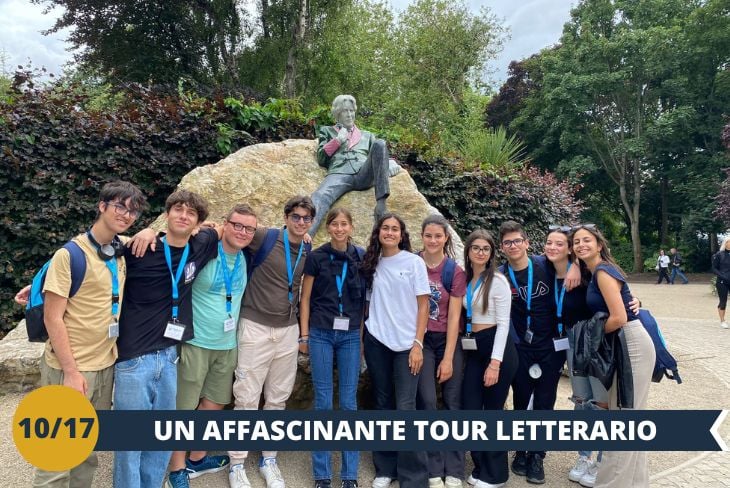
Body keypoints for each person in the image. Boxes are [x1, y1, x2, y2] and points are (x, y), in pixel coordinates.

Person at [31, 181, 147, 488]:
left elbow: (153, 238)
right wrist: (70, 372)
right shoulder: (69, 255)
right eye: (120, 206)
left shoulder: (119, 250)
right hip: (70, 368)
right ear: (102, 206)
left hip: (105, 365)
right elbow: (53, 317)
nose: (126, 214)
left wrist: (150, 232)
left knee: (87, 450)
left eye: (133, 210)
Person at [113, 189, 220, 488]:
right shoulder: (139, 248)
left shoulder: (201, 243)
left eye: (191, 213)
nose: (183, 216)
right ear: (168, 213)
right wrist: (41, 284)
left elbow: (223, 229)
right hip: (134, 358)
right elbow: (92, 259)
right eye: (178, 210)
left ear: (198, 222)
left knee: (161, 436)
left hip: (170, 355)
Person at [166, 204, 258, 488]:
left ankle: (196, 457)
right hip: (196, 342)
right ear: (224, 224)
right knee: (184, 407)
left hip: (227, 345)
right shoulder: (203, 250)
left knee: (215, 402)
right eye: (237, 225)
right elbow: (172, 244)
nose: (242, 232)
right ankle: (177, 467)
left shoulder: (245, 257)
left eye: (249, 228)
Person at [228, 196, 315, 488]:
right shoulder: (265, 237)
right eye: (296, 216)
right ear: (286, 216)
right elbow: (228, 233)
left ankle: (269, 459)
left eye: (306, 218)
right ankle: (237, 464)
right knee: (247, 398)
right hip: (255, 326)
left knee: (277, 399)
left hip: (288, 330)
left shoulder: (307, 246)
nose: (301, 222)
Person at [572, 224, 655, 488]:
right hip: (623, 343)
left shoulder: (604, 272)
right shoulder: (595, 270)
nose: (581, 245)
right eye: (576, 242)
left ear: (599, 244)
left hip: (630, 342)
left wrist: (589, 336)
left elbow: (619, 317)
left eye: (587, 240)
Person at [497, 220, 579, 485]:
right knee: (521, 399)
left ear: (526, 242)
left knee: (545, 401)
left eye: (517, 240)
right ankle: (520, 451)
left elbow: (582, 262)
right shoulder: (500, 275)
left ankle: (537, 456)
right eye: (508, 242)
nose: (513, 246)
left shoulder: (545, 264)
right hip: (520, 347)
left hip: (550, 346)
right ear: (502, 247)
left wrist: (576, 264)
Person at [361, 213, 430, 488]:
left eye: (395, 229)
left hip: (406, 346)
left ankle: (413, 477)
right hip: (377, 341)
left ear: (402, 235)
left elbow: (423, 306)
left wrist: (418, 344)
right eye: (385, 228)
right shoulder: (371, 262)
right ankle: (385, 469)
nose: (389, 232)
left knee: (406, 408)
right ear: (378, 232)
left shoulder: (414, 263)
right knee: (382, 403)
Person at [299, 208, 366, 488]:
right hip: (321, 333)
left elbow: (364, 303)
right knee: (323, 401)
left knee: (349, 403)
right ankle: (322, 474)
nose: (339, 229)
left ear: (351, 227)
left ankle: (349, 475)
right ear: (328, 228)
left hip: (350, 335)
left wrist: (361, 339)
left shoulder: (361, 257)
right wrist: (304, 336)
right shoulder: (317, 257)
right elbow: (305, 299)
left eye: (344, 224)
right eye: (334, 224)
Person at [543, 225, 606, 487]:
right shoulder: (542, 269)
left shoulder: (590, 273)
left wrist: (577, 264)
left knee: (601, 402)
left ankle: (602, 461)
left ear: (569, 249)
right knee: (581, 400)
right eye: (549, 243)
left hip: (596, 341)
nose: (553, 248)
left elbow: (616, 295)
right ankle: (583, 456)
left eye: (560, 244)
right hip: (569, 340)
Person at [460, 229, 518, 488]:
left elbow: (504, 325)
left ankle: (496, 475)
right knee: (471, 408)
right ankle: (481, 466)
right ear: (469, 251)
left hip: (498, 348)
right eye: (476, 248)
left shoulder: (498, 281)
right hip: (474, 349)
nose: (481, 252)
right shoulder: (466, 279)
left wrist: (495, 363)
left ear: (492, 253)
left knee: (493, 412)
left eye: (486, 248)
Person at [415, 215, 467, 488]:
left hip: (447, 340)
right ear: (421, 236)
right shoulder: (413, 264)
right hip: (420, 340)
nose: (433, 240)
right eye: (428, 235)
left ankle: (455, 468)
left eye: (438, 236)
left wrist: (448, 358)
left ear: (446, 238)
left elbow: (455, 318)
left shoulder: (454, 271)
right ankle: (433, 466)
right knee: (426, 401)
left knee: (452, 400)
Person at [310, 94, 400, 235]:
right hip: (339, 174)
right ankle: (303, 240)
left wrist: (388, 161)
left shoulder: (368, 135)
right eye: (345, 111)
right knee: (320, 196)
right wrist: (337, 141)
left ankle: (381, 206)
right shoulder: (327, 131)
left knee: (380, 143)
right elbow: (322, 158)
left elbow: (377, 153)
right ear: (337, 113)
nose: (349, 114)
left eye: (352, 111)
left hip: (363, 173)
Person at [712, 236, 730, 329]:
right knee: (723, 301)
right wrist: (722, 275)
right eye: (729, 242)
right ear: (726, 243)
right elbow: (714, 268)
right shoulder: (719, 254)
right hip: (722, 281)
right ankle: (722, 321)